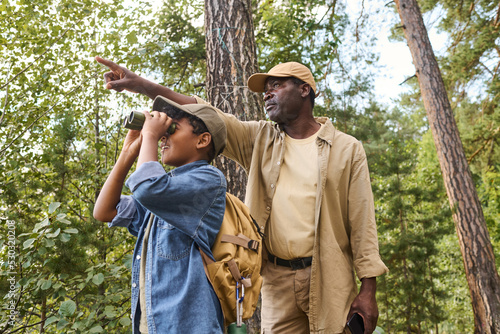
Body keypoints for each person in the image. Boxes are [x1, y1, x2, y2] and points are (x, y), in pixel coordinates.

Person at [96, 56, 388, 334]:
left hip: (329, 275)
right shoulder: (260, 138)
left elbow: (362, 220)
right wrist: (140, 85)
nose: (267, 94)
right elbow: (205, 113)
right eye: (266, 89)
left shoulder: (346, 148)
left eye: (276, 85)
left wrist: (368, 289)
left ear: (304, 90)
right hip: (276, 278)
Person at [93, 94, 228, 333]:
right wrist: (127, 152)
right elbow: (105, 211)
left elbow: (147, 188)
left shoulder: (208, 179)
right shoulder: (164, 195)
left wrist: (151, 136)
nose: (164, 137)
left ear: (202, 140)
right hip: (153, 326)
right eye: (163, 132)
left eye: (172, 129)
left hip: (188, 325)